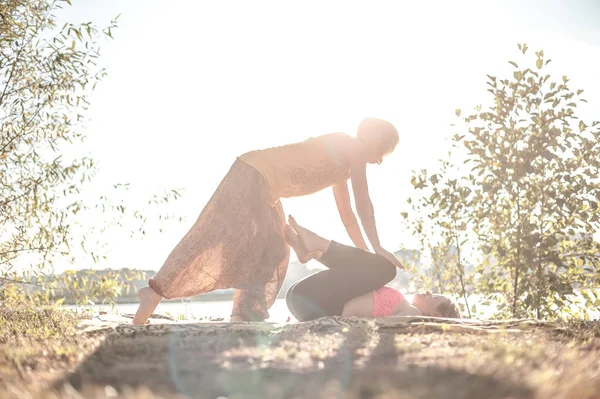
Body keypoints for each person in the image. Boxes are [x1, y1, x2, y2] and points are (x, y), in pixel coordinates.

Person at [133, 118, 402, 324]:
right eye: (383, 154)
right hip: (255, 174)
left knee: (273, 249)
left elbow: (348, 216)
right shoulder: (353, 147)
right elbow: (363, 200)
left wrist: (366, 256)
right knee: (216, 235)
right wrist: (378, 248)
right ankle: (156, 291)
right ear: (375, 142)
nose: (379, 162)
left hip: (265, 185)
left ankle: (245, 312)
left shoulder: (344, 162)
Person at [284, 216, 461, 321]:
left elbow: (389, 324)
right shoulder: (404, 304)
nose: (429, 292)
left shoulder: (413, 313)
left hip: (315, 302)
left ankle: (316, 248)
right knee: (377, 270)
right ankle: (314, 251)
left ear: (436, 314)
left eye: (435, 297)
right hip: (301, 299)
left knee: (386, 269)